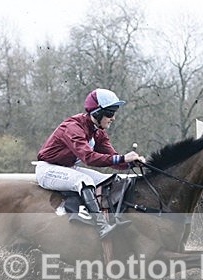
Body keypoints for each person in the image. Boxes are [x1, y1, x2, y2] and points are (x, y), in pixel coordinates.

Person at [36, 88, 145, 239]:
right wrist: (122, 159)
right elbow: (89, 158)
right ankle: (102, 226)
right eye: (110, 113)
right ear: (97, 113)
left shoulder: (98, 132)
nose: (113, 118)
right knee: (84, 180)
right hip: (48, 169)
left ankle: (115, 218)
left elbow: (113, 158)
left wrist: (130, 164)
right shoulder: (73, 128)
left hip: (68, 168)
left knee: (110, 179)